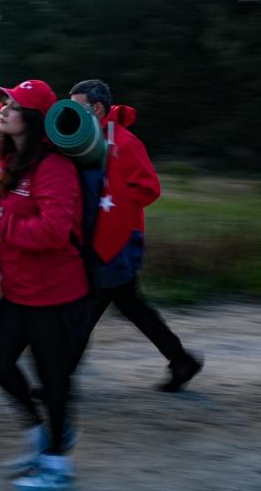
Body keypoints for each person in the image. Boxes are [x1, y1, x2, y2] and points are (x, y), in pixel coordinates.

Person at [0, 80, 92, 491]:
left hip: (55, 292)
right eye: (4, 101)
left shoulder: (54, 167)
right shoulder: (14, 162)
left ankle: (57, 465)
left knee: (53, 377)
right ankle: (40, 437)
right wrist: (2, 267)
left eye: (14, 105)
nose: (3, 108)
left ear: (34, 119)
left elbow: (54, 232)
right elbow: (16, 226)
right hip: (21, 288)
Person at [65, 79, 202, 392]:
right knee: (130, 306)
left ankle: (59, 377)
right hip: (99, 239)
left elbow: (149, 188)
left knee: (88, 307)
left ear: (96, 108)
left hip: (120, 240)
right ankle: (181, 361)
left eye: (77, 106)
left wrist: (112, 211)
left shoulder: (124, 143)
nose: (71, 113)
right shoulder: (90, 141)